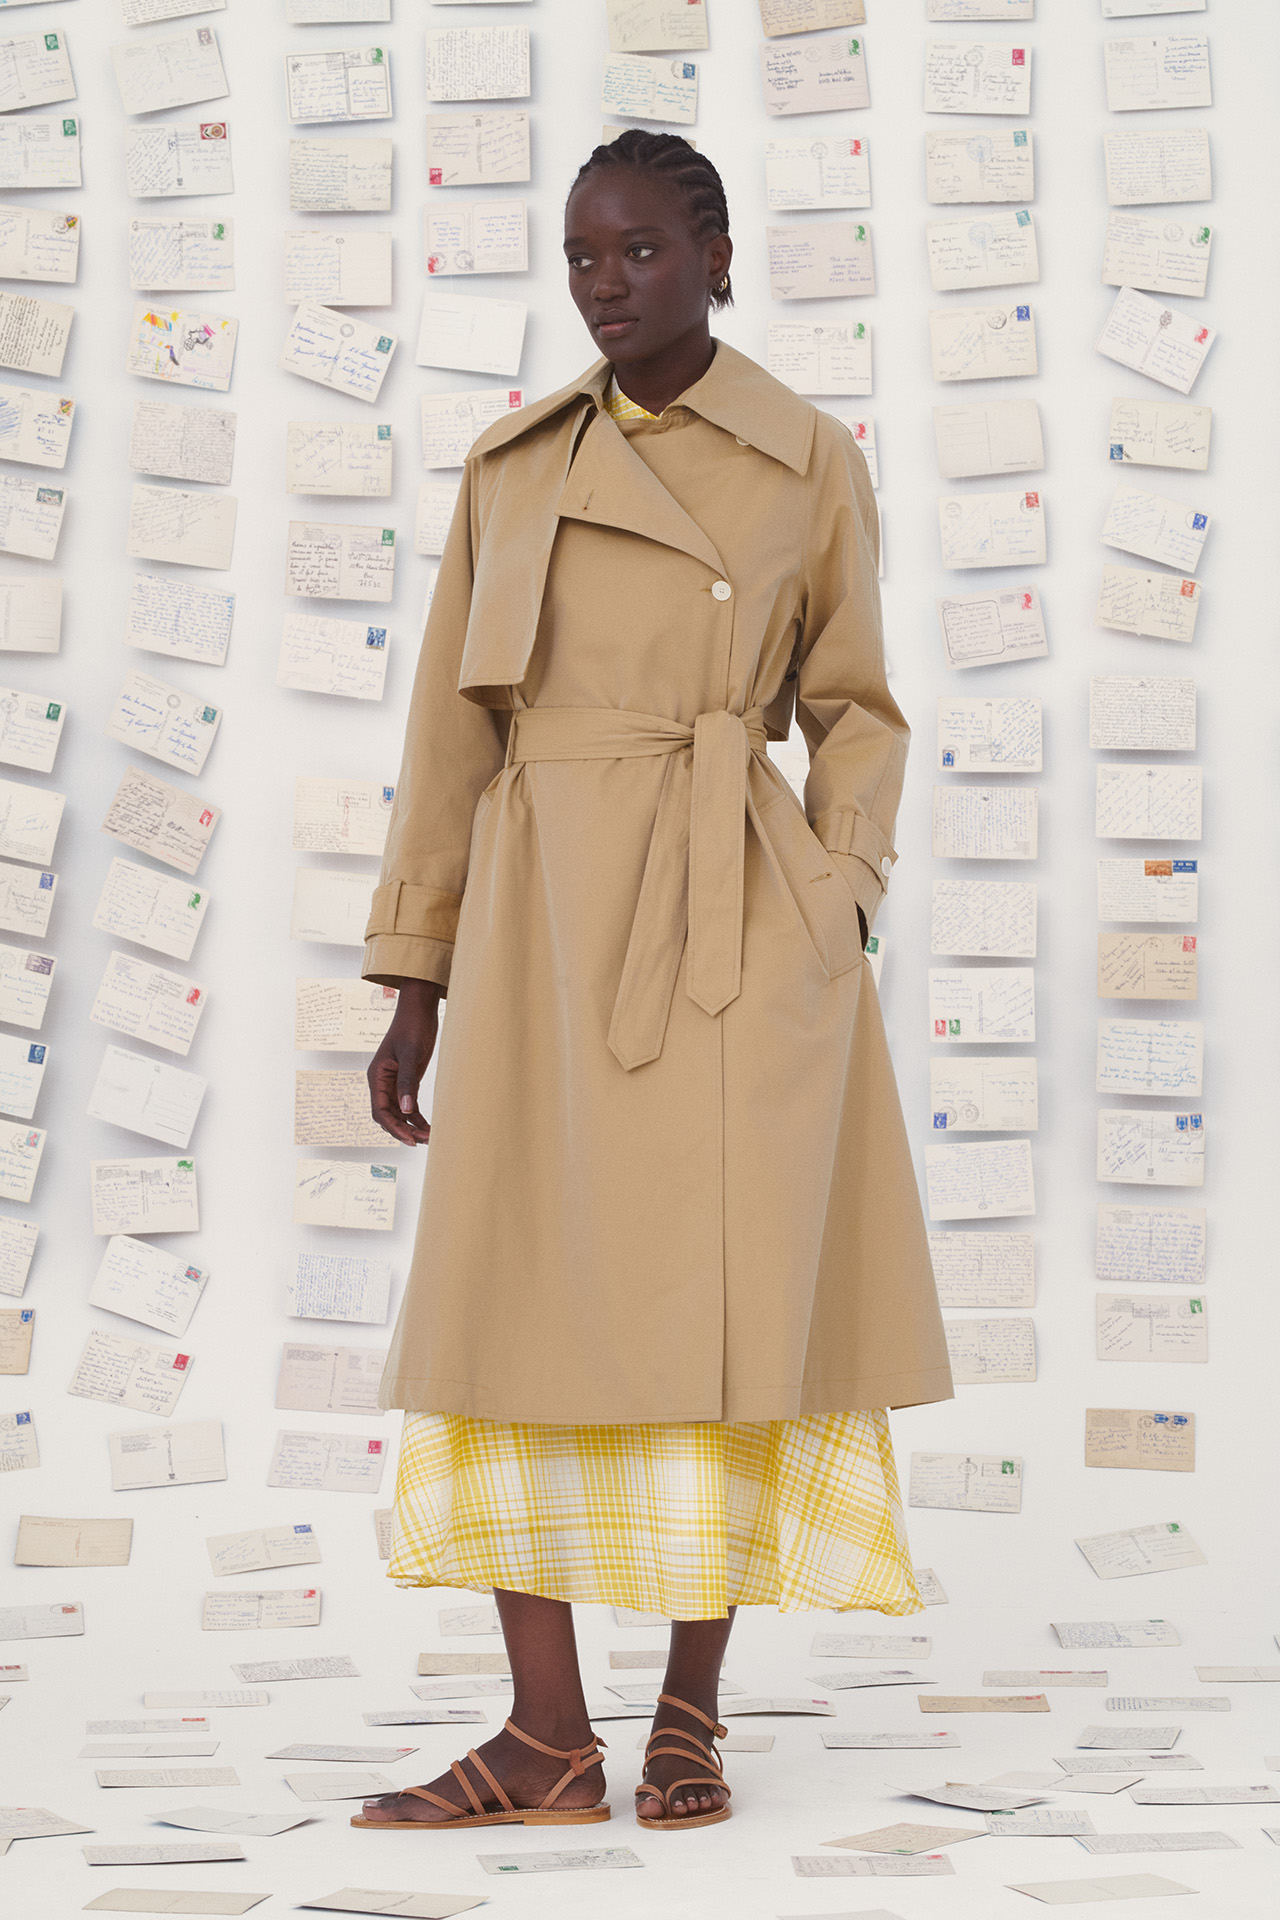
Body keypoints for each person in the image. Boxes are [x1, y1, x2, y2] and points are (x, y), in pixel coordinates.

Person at [352, 129, 952, 1835]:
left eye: (639, 252)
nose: (606, 286)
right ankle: (545, 1733)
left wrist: (838, 896)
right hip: (541, 922)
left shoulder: (806, 456)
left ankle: (690, 1712)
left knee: (723, 1305)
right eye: (581, 258)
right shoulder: (513, 466)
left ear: (716, 257)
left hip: (732, 915)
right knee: (509, 1295)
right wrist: (416, 977)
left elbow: (857, 709)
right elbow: (449, 737)